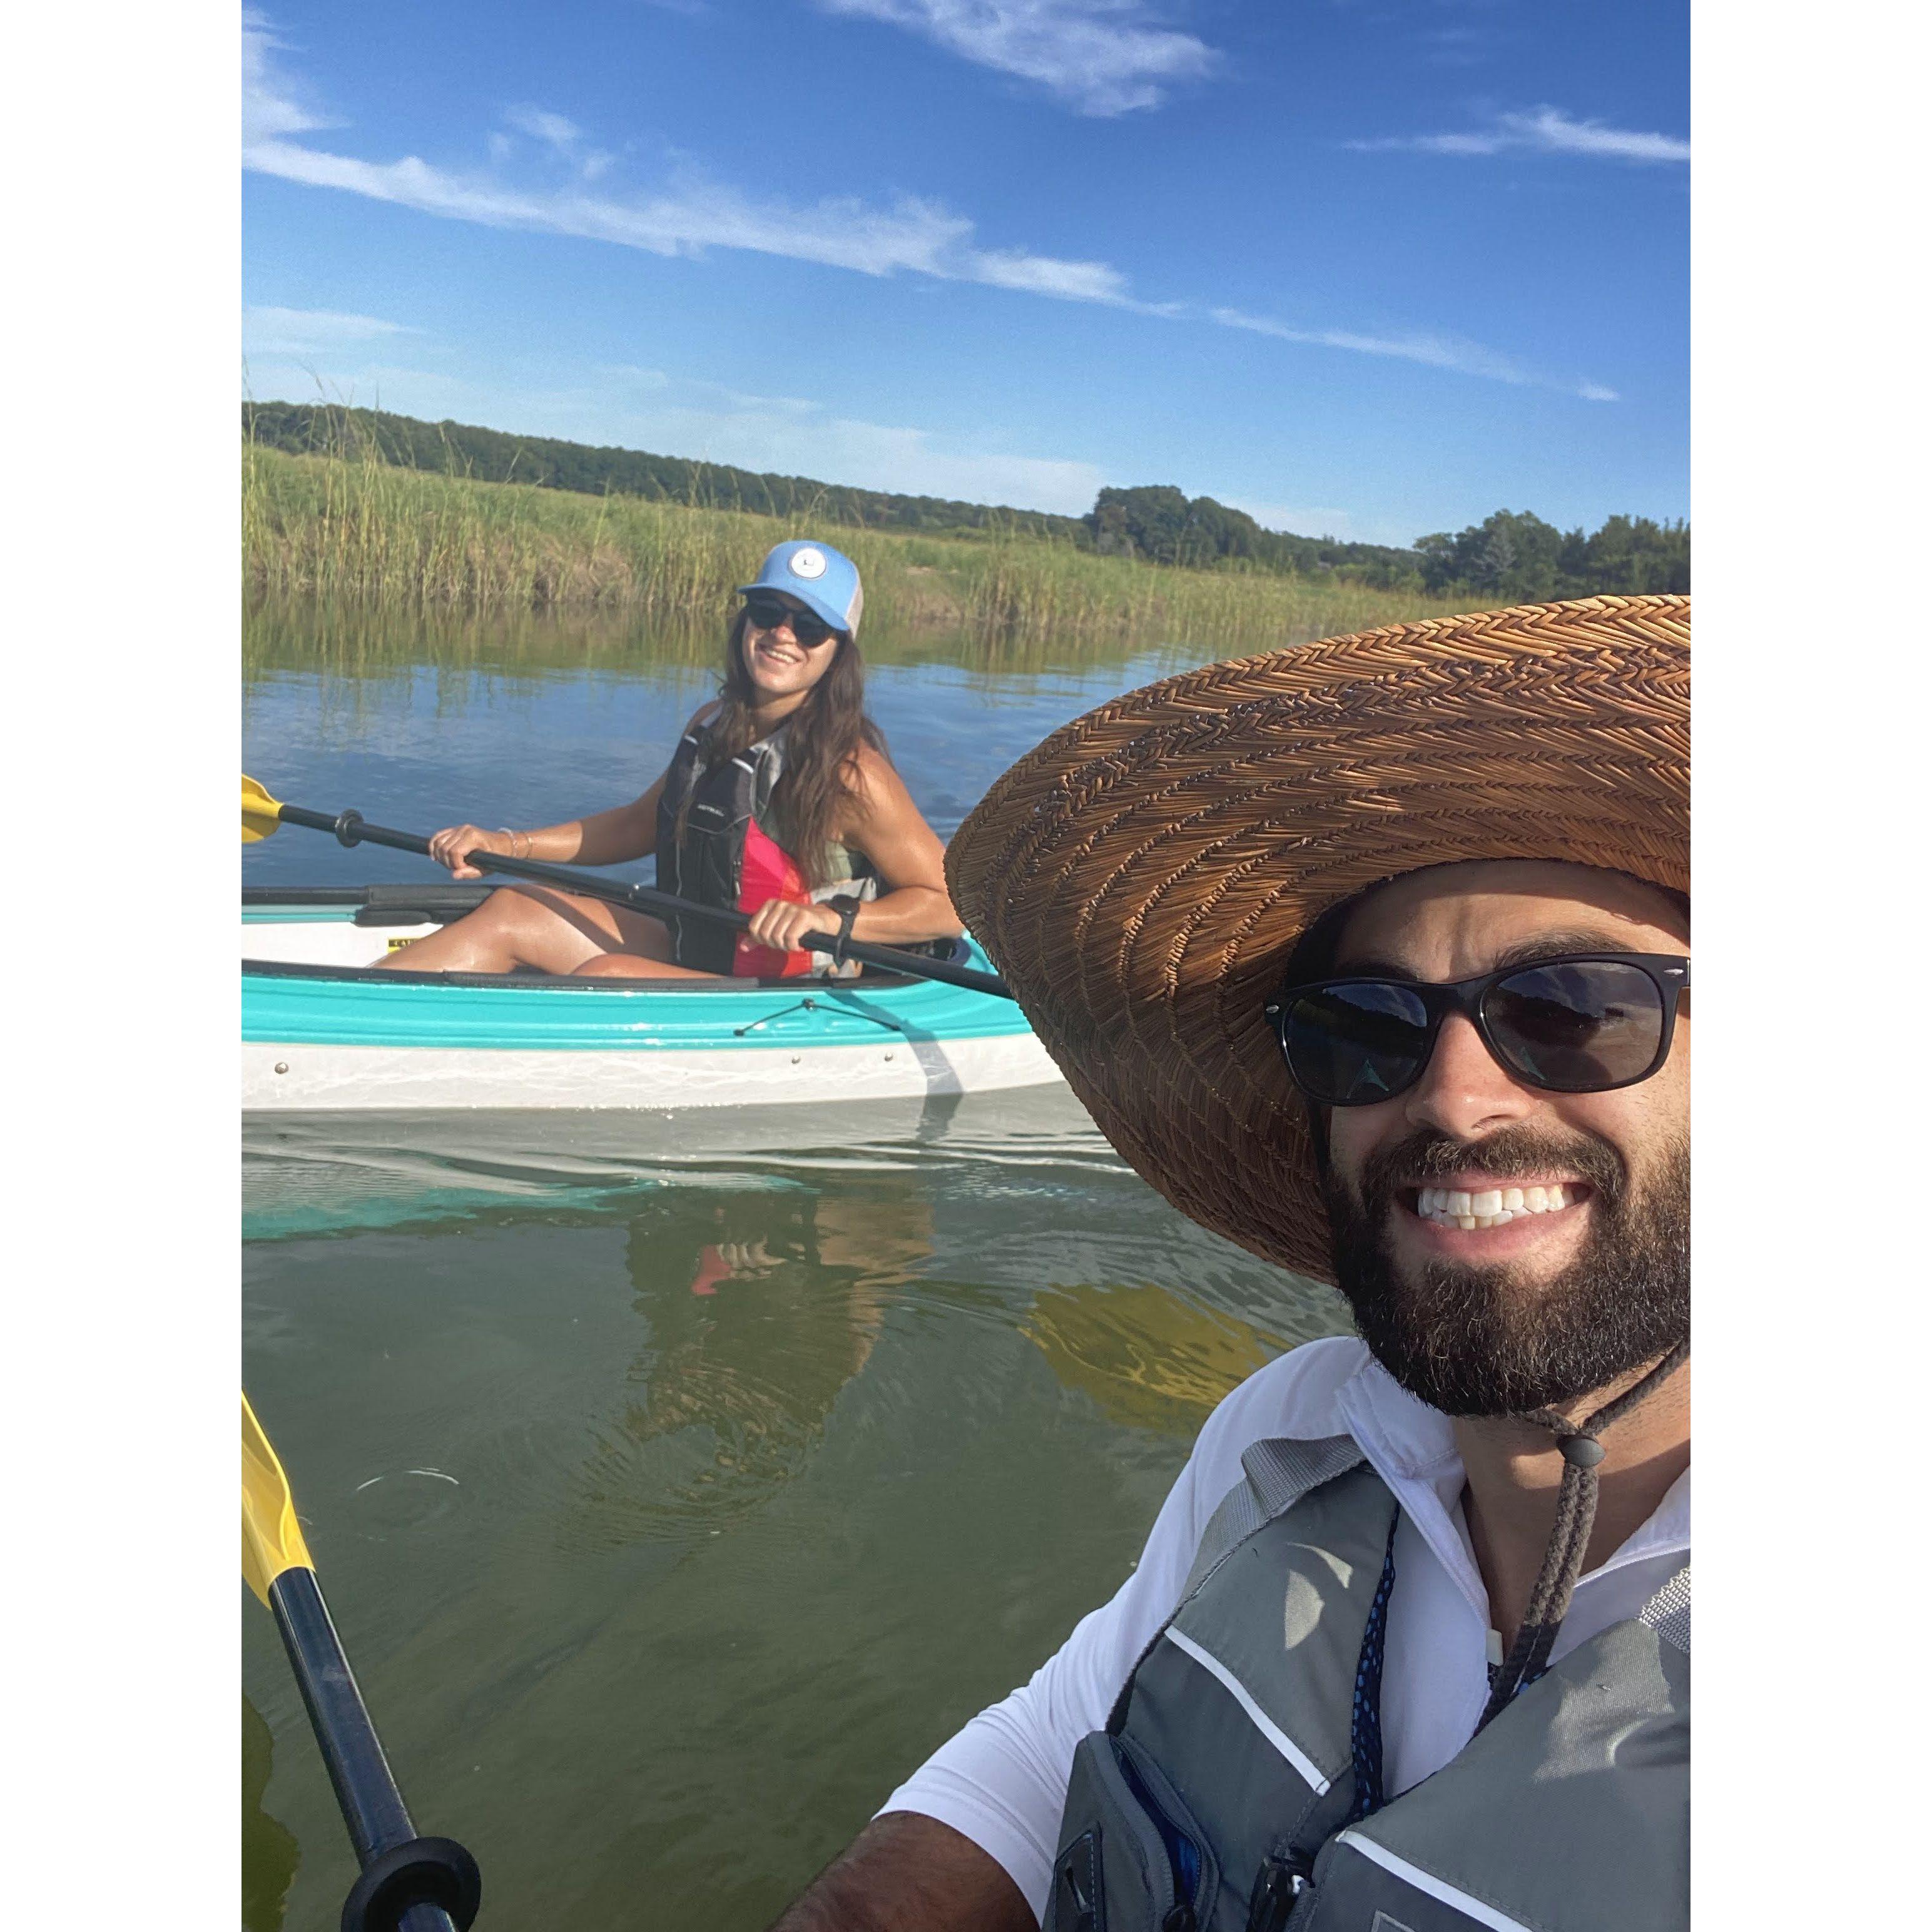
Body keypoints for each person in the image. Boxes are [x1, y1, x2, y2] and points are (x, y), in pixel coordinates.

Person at [770, 596, 1690, 1932]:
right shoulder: (1295, 1432)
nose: (1452, 1097)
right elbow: (1044, 1753)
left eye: (1574, 1008)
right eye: (1362, 1025)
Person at [377, 540, 962, 979]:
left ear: (838, 654)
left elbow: (950, 905)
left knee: (609, 978)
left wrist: (831, 923)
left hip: (777, 985)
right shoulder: (712, 723)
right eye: (767, 612)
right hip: (696, 944)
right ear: (745, 623)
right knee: (514, 908)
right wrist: (507, 845)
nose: (783, 634)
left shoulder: (851, 776)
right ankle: (349, 1008)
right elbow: (639, 825)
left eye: (810, 626)